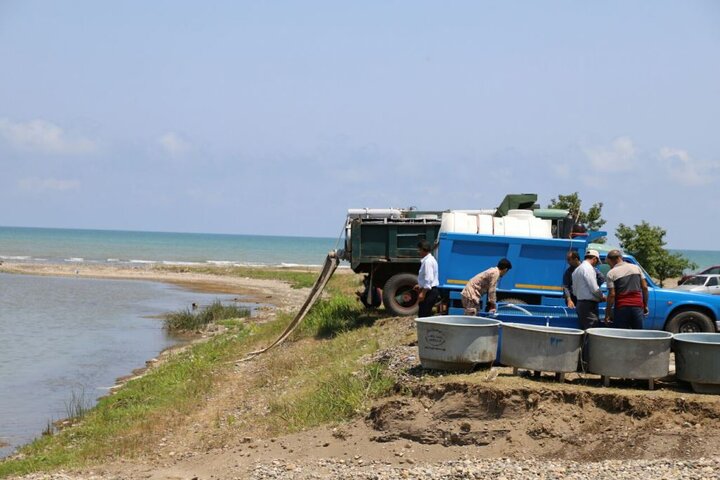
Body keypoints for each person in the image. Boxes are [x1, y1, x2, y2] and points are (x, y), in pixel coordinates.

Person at [604, 249, 649, 329]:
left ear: (611, 260)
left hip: (622, 308)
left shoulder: (611, 273)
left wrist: (608, 313)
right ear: (620, 257)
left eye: (609, 263)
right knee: (638, 334)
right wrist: (645, 305)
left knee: (621, 335)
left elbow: (612, 295)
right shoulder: (636, 268)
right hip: (637, 306)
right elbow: (645, 287)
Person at [571, 249, 606, 329]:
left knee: (584, 329)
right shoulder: (589, 269)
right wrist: (602, 296)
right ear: (594, 259)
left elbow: (575, 292)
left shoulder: (576, 270)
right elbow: (594, 289)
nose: (596, 265)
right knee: (591, 330)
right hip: (589, 306)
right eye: (596, 262)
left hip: (580, 304)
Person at [414, 240, 439, 317]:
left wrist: (423, 293)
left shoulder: (428, 261)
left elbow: (429, 279)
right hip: (429, 290)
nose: (418, 252)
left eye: (419, 250)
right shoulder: (430, 259)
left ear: (423, 249)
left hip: (429, 292)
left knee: (423, 315)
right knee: (424, 313)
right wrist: (420, 285)